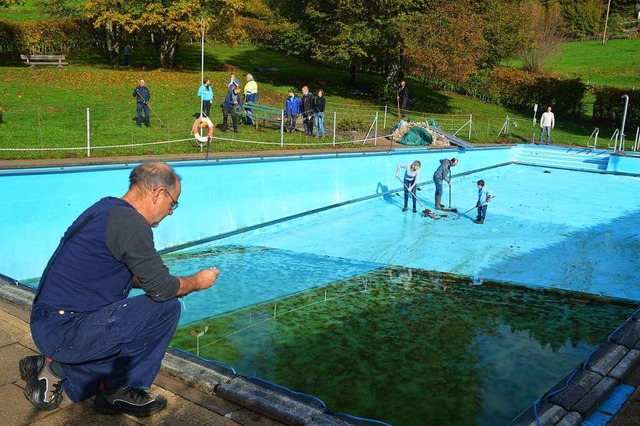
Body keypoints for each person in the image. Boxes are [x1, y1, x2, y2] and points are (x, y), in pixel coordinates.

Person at [19, 162, 220, 417]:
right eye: (173, 203)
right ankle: (111, 389)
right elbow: (162, 289)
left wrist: (156, 279)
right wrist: (197, 282)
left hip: (51, 320)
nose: (171, 212)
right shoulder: (131, 224)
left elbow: (113, 275)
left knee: (136, 316)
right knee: (165, 308)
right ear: (158, 193)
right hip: (63, 329)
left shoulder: (107, 208)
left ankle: (52, 370)